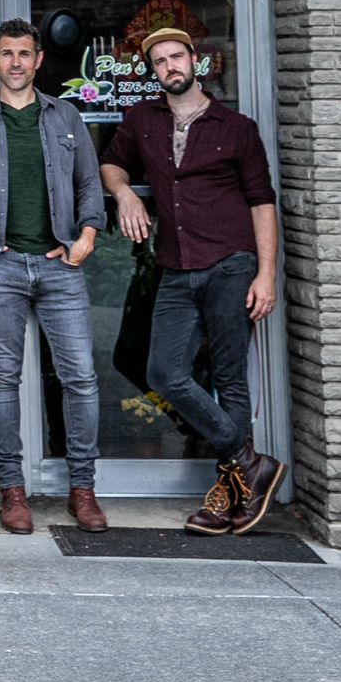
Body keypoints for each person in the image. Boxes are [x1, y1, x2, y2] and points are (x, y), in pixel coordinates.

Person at [100, 28, 285, 536]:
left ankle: (231, 494)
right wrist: (126, 196)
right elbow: (111, 164)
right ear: (153, 71)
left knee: (229, 380)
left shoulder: (237, 127)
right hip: (176, 267)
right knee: (164, 372)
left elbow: (262, 203)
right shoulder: (142, 121)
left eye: (176, 57)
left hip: (231, 264)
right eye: (159, 62)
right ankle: (251, 464)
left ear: (195, 61)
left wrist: (266, 274)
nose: (169, 67)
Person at [0, 18, 109, 536]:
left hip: (60, 264)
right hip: (0, 265)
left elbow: (88, 186)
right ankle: (12, 492)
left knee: (80, 376)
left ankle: (83, 489)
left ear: (38, 61)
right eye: (6, 53)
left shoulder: (67, 118)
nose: (16, 62)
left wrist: (87, 236)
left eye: (25, 54)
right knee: (4, 378)